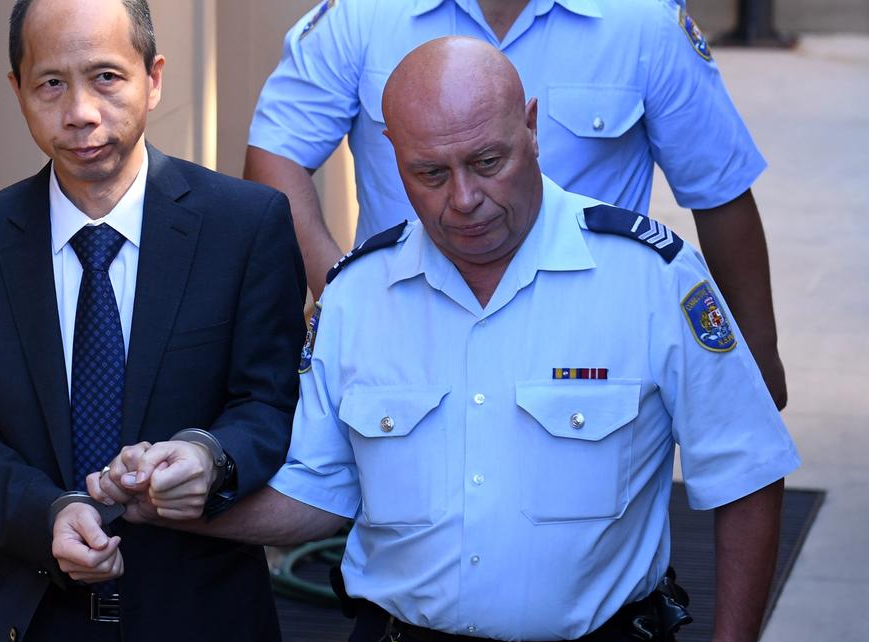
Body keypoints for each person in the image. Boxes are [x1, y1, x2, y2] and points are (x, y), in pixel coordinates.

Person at [96, 38, 800, 642]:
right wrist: (176, 504)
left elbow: (747, 469)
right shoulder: (358, 296)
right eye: (430, 173)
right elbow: (322, 493)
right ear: (389, 157)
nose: (463, 199)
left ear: (530, 127)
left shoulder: (649, 277)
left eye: (487, 161)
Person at [0, 0, 306, 642]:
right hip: (25, 639)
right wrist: (52, 513)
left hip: (197, 638)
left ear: (153, 79)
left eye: (106, 77)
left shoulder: (245, 228)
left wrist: (207, 455)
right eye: (51, 84)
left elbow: (268, 403)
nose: (82, 112)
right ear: (17, 91)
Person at [245, 0, 788, 410]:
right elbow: (276, 160)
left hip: (590, 359)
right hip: (408, 344)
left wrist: (756, 354)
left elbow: (718, 192)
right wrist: (345, 300)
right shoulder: (364, 15)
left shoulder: (640, 20)